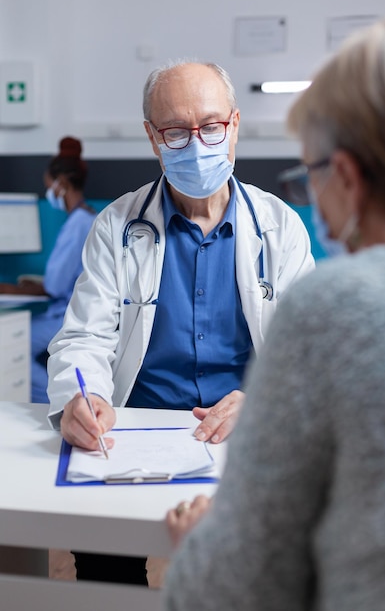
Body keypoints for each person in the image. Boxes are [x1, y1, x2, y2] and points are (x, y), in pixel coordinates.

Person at [163, 17, 385, 611]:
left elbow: (242, 583)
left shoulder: (338, 306)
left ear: (348, 177)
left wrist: (201, 550)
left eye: (313, 176)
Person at [46, 60, 315, 585]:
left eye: (211, 126)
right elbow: (83, 337)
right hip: (128, 434)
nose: (197, 144)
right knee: (103, 566)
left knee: (254, 570)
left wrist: (265, 399)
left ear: (234, 125)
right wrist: (83, 397)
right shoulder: (116, 226)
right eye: (176, 131)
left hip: (239, 438)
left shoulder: (280, 227)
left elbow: (309, 356)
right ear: (152, 137)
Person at [0, 136, 96, 403]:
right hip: (72, 311)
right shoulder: (87, 218)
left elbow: (54, 285)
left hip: (66, 316)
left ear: (61, 184)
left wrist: (10, 289)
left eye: (49, 186)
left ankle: (58, 402)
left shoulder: (77, 226)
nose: (49, 193)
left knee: (10, 344)